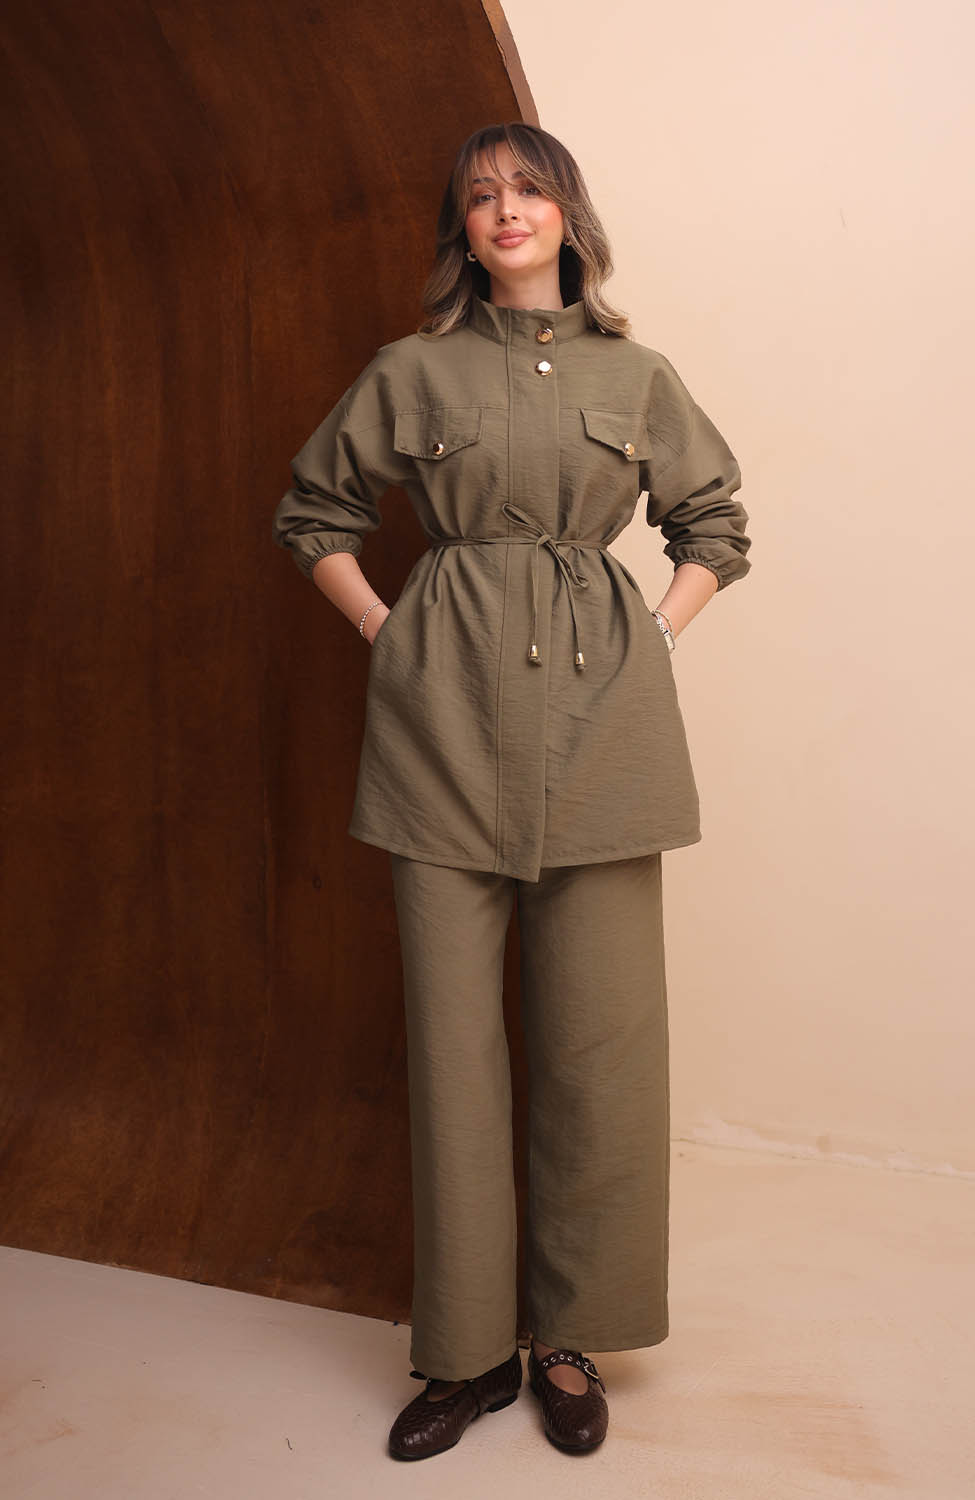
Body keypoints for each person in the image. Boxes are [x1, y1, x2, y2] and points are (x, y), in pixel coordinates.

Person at [271, 122, 752, 1461]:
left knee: (600, 1048)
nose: (505, 208)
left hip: (605, 741)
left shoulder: (636, 374)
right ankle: (468, 1352)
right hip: (439, 736)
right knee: (454, 1054)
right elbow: (313, 514)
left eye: (529, 188)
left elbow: (714, 526)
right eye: (481, 195)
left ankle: (571, 1339)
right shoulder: (410, 370)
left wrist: (657, 633)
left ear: (567, 216)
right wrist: (388, 633)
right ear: (463, 231)